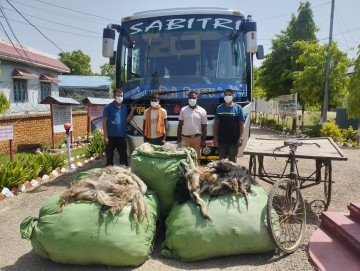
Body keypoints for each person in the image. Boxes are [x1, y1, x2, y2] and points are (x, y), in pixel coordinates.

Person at [103, 88, 136, 166]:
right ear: (114, 96)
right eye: (118, 96)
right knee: (109, 158)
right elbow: (104, 122)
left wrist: (132, 111)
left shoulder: (124, 107)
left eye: (121, 96)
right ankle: (109, 174)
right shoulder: (108, 107)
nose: (120, 97)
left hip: (121, 137)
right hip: (111, 137)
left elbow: (126, 121)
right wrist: (105, 137)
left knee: (124, 158)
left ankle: (123, 174)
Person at [213, 89, 245, 163]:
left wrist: (241, 138)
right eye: (226, 95)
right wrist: (215, 137)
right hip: (221, 140)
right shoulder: (219, 108)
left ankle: (232, 174)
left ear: (233, 96)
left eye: (230, 95)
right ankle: (222, 175)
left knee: (232, 161)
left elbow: (241, 124)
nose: (228, 96)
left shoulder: (238, 108)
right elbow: (216, 124)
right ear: (224, 97)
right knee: (222, 162)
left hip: (234, 141)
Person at [177, 91, 207, 161]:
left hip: (197, 138)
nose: (191, 99)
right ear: (188, 99)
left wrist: (203, 140)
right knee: (185, 159)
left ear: (197, 99)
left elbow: (204, 127)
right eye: (190, 98)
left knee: (196, 158)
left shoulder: (202, 111)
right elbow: (180, 125)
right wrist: (178, 139)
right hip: (185, 138)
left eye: (193, 98)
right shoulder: (183, 110)